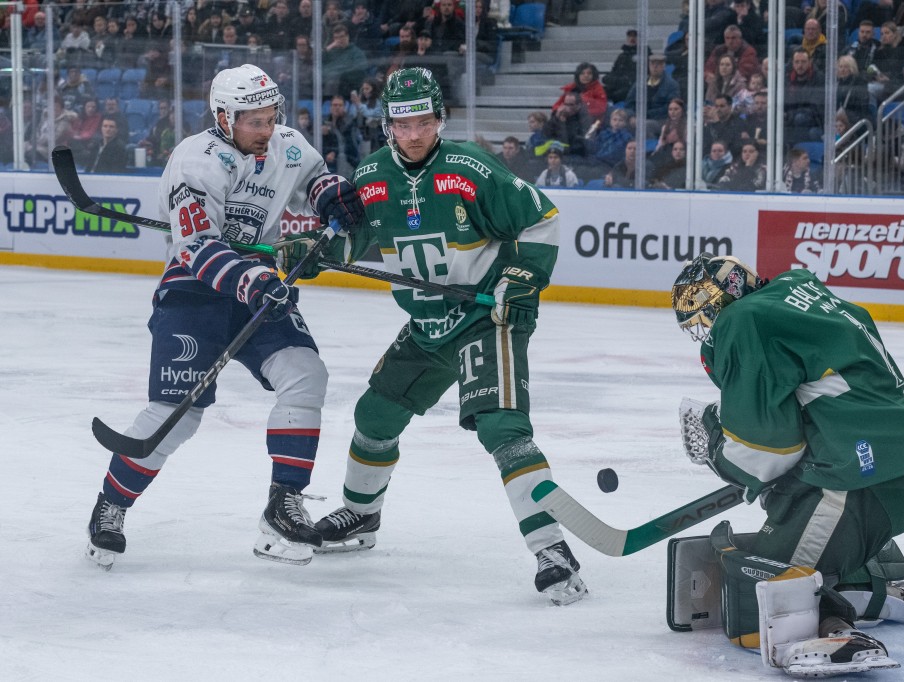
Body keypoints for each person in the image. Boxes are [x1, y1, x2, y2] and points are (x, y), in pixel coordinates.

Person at [276, 67, 588, 606]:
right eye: (403, 124)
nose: (414, 134)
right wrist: (314, 253)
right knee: (375, 416)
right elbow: (355, 237)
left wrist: (520, 277)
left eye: (424, 122)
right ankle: (362, 515)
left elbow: (541, 219)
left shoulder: (470, 168)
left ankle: (551, 549)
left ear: (440, 119)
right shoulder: (372, 175)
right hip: (427, 325)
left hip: (486, 318)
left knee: (502, 428)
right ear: (387, 126)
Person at [84, 64, 364, 570]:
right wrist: (252, 280)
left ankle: (283, 504)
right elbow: (195, 247)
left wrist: (331, 194)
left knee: (305, 375)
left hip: (259, 286)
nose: (266, 129)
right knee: (177, 415)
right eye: (254, 121)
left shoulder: (287, 144)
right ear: (223, 117)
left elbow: (313, 178)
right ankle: (111, 506)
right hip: (195, 290)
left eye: (271, 117)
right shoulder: (195, 160)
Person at [670, 253, 904, 678]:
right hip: (901, 474)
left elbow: (768, 453)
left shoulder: (744, 318)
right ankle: (874, 593)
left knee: (761, 600)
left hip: (853, 484)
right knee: (789, 506)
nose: (707, 322)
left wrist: (717, 448)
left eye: (705, 307)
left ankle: (835, 632)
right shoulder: (797, 294)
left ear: (728, 294)